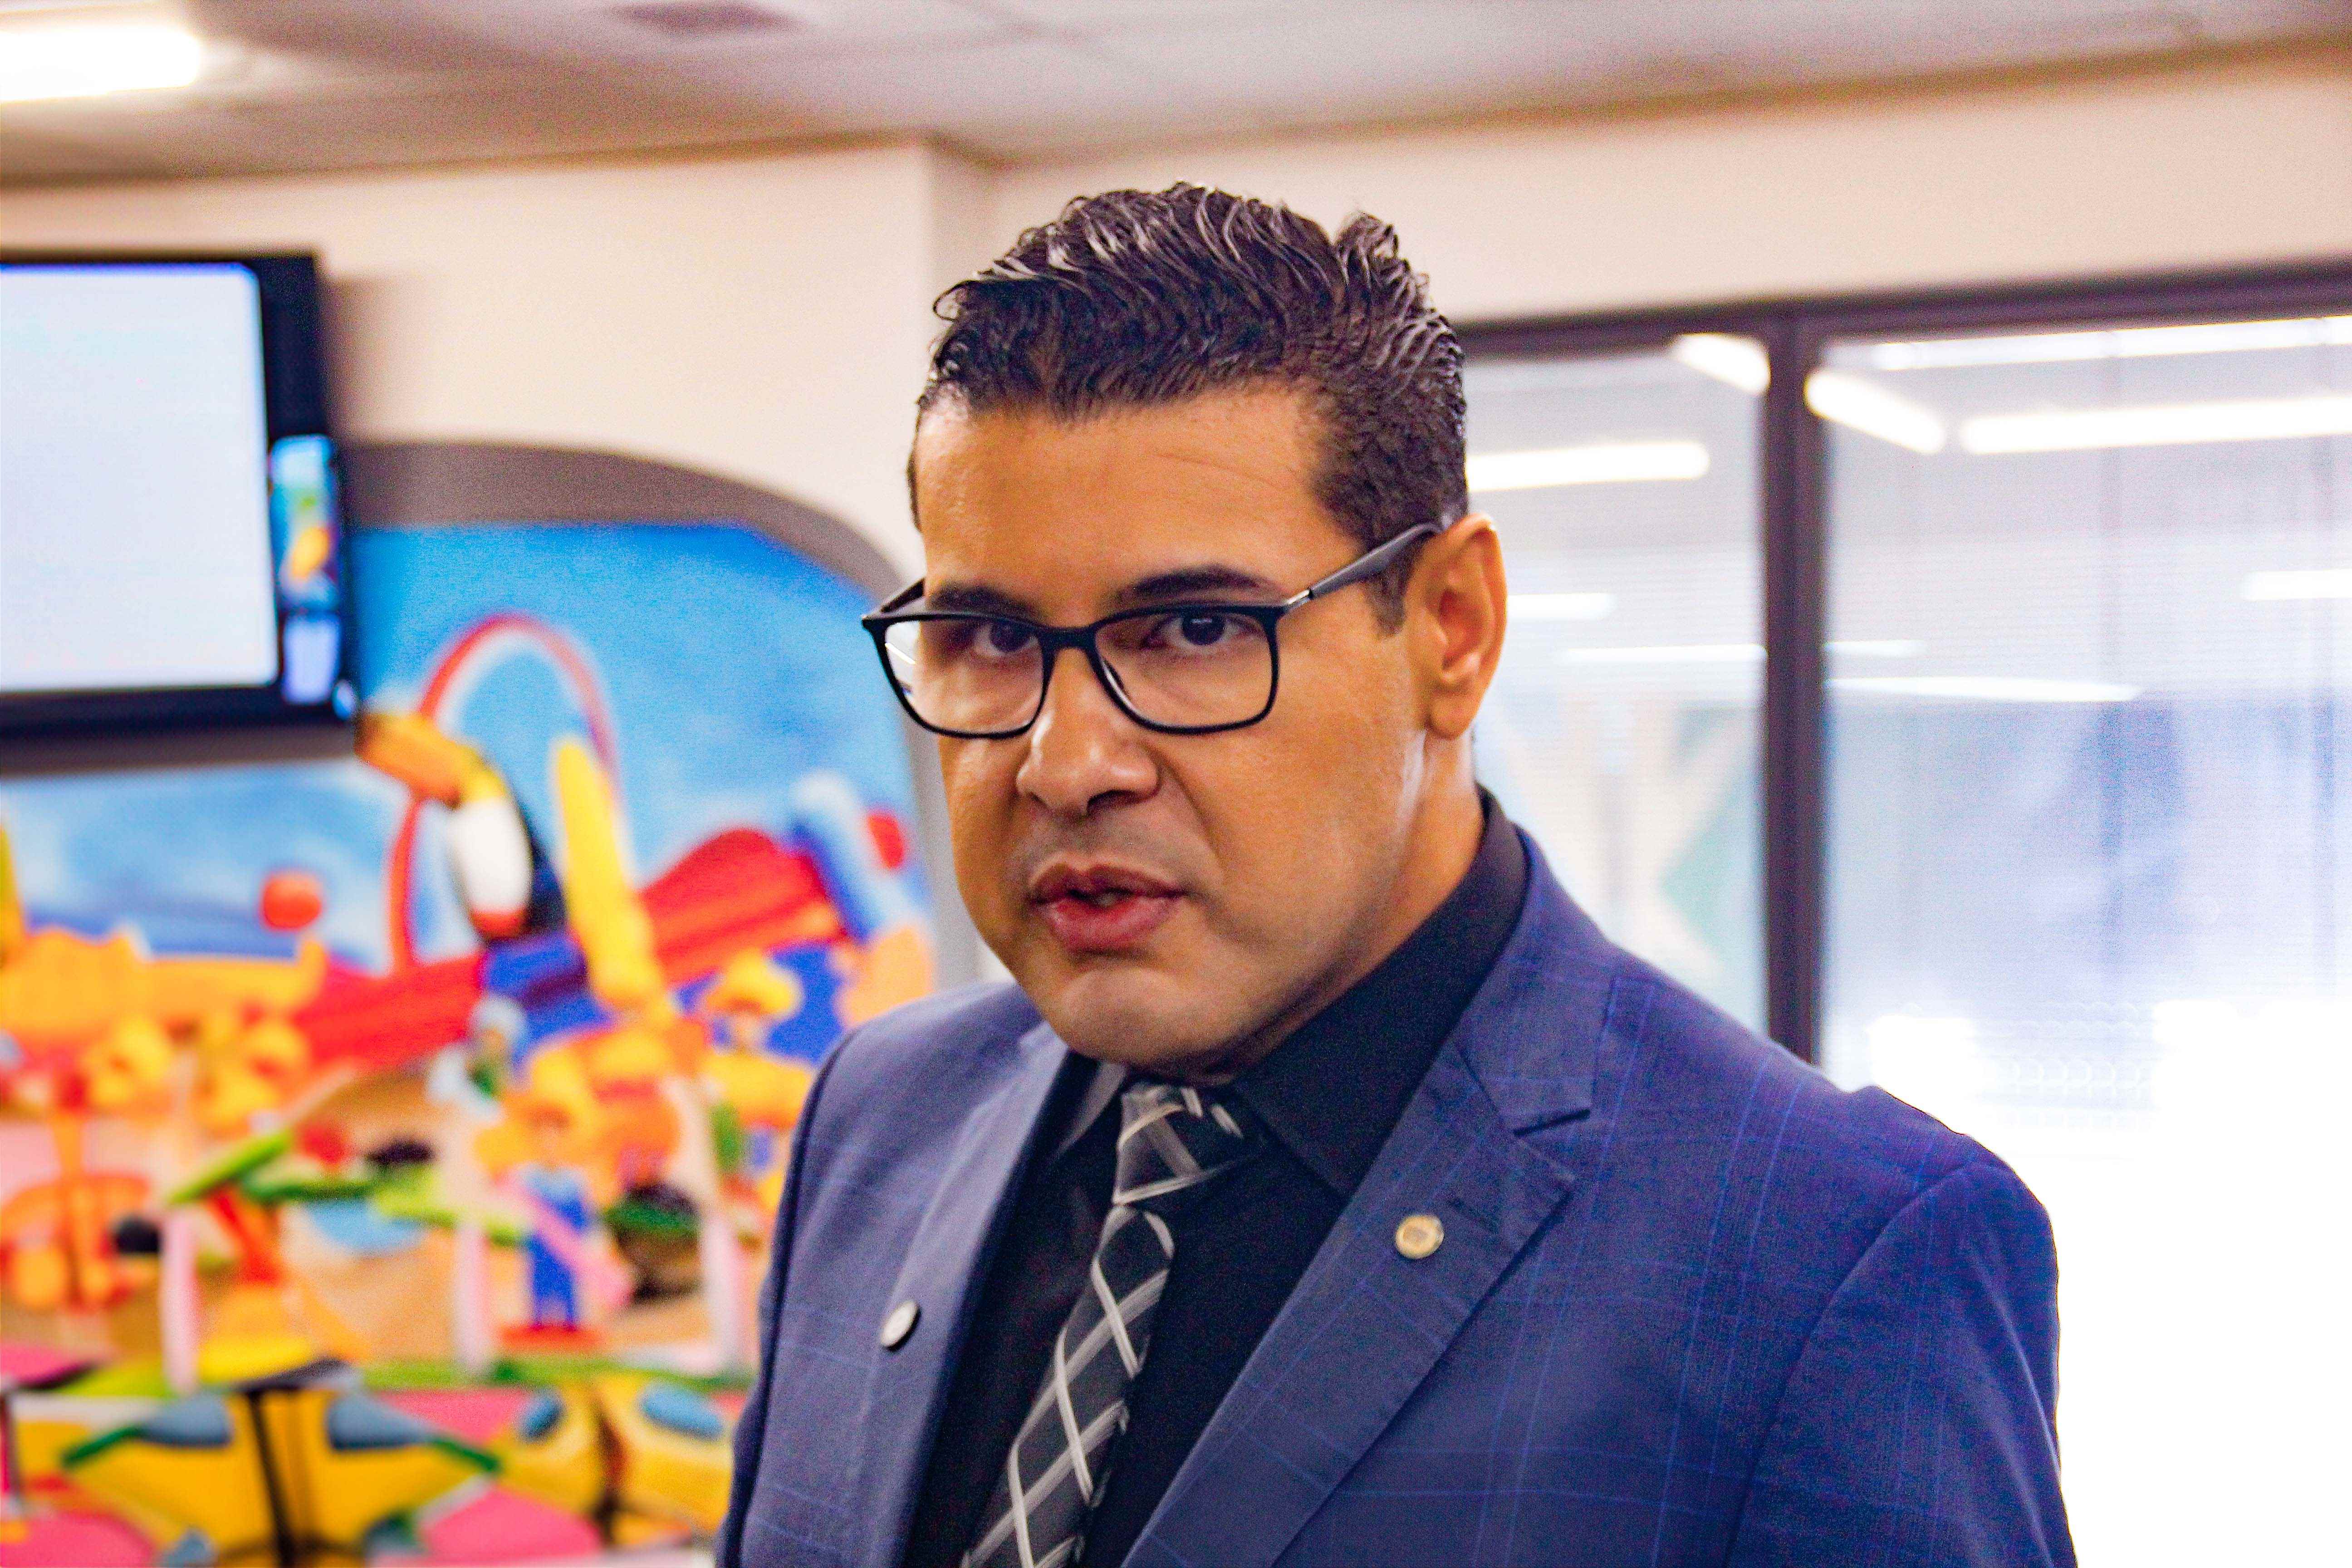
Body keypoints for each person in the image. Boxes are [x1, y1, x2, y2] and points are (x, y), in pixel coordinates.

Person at [719, 185, 2073, 1568]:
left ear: (1451, 630)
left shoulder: (1827, 1258)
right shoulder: (882, 1120)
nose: (1067, 765)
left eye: (1195, 631)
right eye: (994, 641)